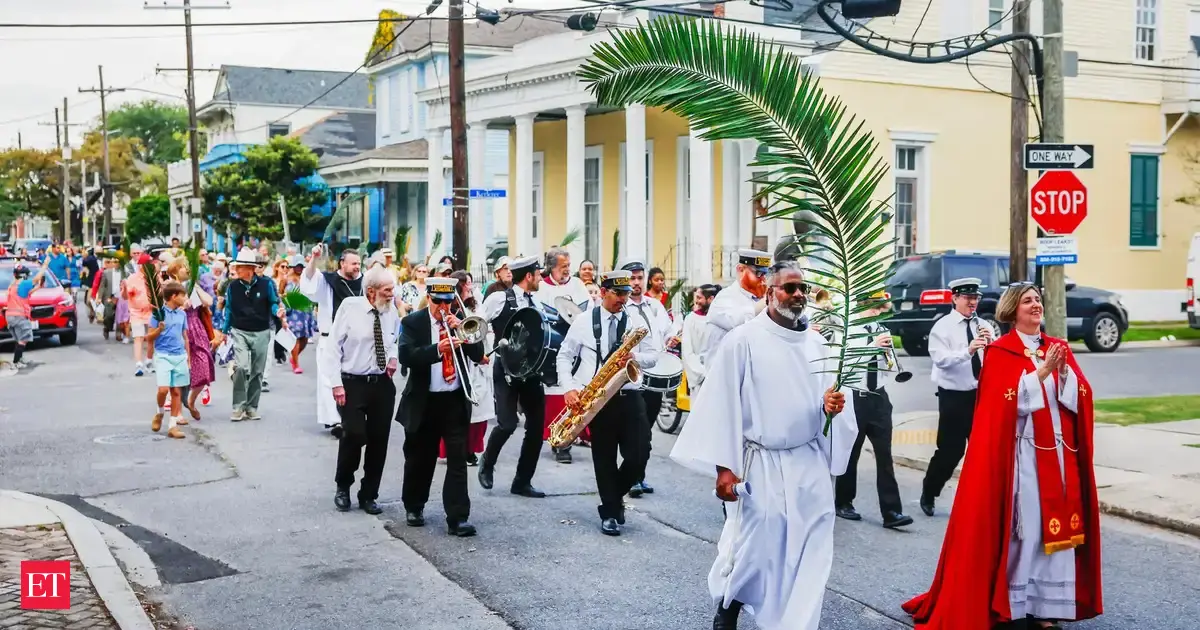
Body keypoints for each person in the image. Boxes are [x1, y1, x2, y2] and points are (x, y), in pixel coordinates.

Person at [903, 282, 1102, 630]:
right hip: (1023, 455)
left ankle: (1047, 608)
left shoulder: (1057, 347)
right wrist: (1042, 373)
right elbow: (1001, 404)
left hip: (1058, 454)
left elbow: (1081, 397)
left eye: (1038, 299)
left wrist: (1063, 373)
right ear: (1012, 310)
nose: (1035, 305)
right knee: (1028, 528)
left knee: (1055, 532)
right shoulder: (1000, 351)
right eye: (1027, 301)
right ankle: (1016, 603)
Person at [670, 261, 857, 630]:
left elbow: (831, 402)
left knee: (813, 543)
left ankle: (796, 623)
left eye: (803, 288)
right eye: (790, 288)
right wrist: (725, 468)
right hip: (761, 461)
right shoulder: (743, 340)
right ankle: (729, 604)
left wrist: (830, 407)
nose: (798, 294)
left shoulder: (819, 344)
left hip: (807, 460)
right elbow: (721, 404)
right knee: (755, 548)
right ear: (770, 293)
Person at [556, 270, 659, 535]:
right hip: (597, 398)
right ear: (603, 292)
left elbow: (653, 356)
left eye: (626, 294)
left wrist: (634, 357)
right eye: (618, 293)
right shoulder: (583, 321)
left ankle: (612, 497)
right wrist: (569, 388)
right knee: (604, 457)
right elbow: (564, 356)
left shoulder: (636, 320)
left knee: (640, 454)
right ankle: (611, 512)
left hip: (629, 395)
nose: (623, 299)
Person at [396, 276, 485, 536]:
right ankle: (414, 505)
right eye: (438, 302)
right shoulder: (413, 322)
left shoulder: (460, 319)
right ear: (429, 298)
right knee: (420, 458)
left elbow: (478, 355)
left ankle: (458, 517)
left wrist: (464, 333)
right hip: (425, 401)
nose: (443, 308)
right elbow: (406, 356)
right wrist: (437, 349)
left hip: (454, 400)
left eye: (448, 302)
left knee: (457, 459)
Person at [919, 277, 997, 517]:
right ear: (955, 298)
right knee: (951, 451)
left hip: (980, 395)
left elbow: (995, 360)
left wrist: (991, 344)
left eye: (976, 298)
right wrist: (969, 350)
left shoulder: (984, 324)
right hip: (953, 396)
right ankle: (930, 490)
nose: (973, 302)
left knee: (982, 451)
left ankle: (977, 500)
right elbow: (941, 360)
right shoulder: (942, 327)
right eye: (968, 298)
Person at [834, 291, 912, 529]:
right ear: (861, 306)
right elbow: (844, 366)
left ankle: (892, 511)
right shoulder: (847, 331)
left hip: (879, 397)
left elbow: (886, 367)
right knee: (852, 452)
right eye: (874, 308)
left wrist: (890, 360)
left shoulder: (881, 329)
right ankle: (843, 502)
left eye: (880, 309)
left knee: (885, 455)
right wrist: (871, 346)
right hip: (855, 397)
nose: (877, 313)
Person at [327, 266, 401, 516]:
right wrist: (336, 384)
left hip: (381, 383)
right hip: (352, 382)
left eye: (392, 289)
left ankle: (369, 494)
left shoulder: (390, 310)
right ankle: (343, 486)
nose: (391, 294)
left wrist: (393, 357)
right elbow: (333, 347)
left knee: (379, 440)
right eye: (387, 290)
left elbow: (393, 340)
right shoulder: (350, 308)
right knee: (354, 434)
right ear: (371, 291)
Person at [477, 255, 548, 498]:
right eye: (537, 274)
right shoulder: (499, 299)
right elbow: (477, 325)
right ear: (528, 276)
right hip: (506, 368)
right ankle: (487, 461)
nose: (540, 278)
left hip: (531, 371)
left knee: (536, 428)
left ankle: (522, 481)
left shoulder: (538, 301)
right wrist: (479, 352)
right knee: (507, 424)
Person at [620, 258, 675, 497]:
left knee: (646, 431)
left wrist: (671, 337)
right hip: (632, 376)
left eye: (640, 278)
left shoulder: (655, 306)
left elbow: (667, 329)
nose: (636, 282)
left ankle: (639, 475)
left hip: (654, 376)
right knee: (634, 431)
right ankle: (631, 478)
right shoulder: (622, 307)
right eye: (632, 278)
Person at [300, 246, 364, 437]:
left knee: (353, 378)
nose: (357, 267)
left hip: (355, 340)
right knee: (329, 379)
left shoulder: (364, 282)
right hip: (330, 339)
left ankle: (352, 417)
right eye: (353, 263)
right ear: (342, 263)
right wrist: (314, 258)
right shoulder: (328, 281)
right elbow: (309, 282)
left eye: (359, 264)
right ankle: (335, 420)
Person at [537, 247, 592, 464]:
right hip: (553, 346)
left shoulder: (577, 285)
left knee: (574, 392)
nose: (567, 270)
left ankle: (569, 438)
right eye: (563, 267)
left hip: (576, 346)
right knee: (555, 397)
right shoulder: (541, 287)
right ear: (551, 267)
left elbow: (588, 309)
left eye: (569, 266)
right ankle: (558, 441)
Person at [221, 249, 285, 422]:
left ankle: (251, 407)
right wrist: (224, 331)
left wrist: (277, 312)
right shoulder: (233, 286)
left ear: (250, 268)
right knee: (241, 367)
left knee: (257, 371)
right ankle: (238, 406)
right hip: (239, 330)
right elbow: (229, 309)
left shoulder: (266, 284)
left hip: (261, 331)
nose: (236, 270)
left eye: (239, 267)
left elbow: (273, 303)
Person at [438, 271, 492, 466]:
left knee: (478, 411)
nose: (471, 287)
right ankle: (457, 450)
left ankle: (469, 449)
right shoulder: (450, 310)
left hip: (476, 361)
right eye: (467, 283)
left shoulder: (474, 305)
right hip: (458, 365)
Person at [702, 249, 771, 364]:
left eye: (766, 275)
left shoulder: (759, 299)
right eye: (758, 274)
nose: (763, 280)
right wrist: (768, 300)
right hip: (723, 370)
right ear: (741, 270)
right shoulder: (724, 298)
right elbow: (738, 321)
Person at [147, 282, 191, 440]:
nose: (185, 299)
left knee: (176, 392)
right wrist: (159, 329)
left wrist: (188, 357)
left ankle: (172, 425)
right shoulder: (158, 314)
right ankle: (159, 413)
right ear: (173, 296)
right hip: (163, 355)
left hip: (179, 355)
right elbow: (148, 337)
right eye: (182, 296)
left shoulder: (182, 314)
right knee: (163, 390)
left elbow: (185, 336)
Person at [4, 259, 50, 369]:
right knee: (24, 339)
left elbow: (26, 294)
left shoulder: (13, 286)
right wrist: (45, 265)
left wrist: (39, 287)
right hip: (19, 316)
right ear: (24, 275)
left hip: (10, 317)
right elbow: (36, 279)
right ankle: (16, 362)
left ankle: (19, 358)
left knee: (19, 339)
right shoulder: (23, 284)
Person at [681, 284, 720, 392]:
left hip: (717, 377)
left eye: (699, 298)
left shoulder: (720, 320)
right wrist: (703, 373)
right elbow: (687, 352)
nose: (696, 301)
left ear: (710, 299)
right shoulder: (690, 319)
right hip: (699, 379)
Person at [282, 255, 317, 373]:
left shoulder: (307, 279)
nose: (299, 268)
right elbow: (280, 293)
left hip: (305, 312)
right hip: (293, 312)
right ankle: (296, 364)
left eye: (301, 266)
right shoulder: (286, 279)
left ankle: (294, 357)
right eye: (297, 266)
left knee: (304, 339)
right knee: (296, 338)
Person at [126, 254, 157, 376]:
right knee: (138, 337)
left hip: (151, 311)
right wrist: (125, 290)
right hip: (136, 312)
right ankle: (139, 364)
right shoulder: (132, 279)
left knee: (151, 337)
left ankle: (149, 361)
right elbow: (127, 295)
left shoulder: (155, 277)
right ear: (141, 266)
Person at [97, 257, 127, 342]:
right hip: (109, 297)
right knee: (108, 316)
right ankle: (106, 328)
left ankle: (118, 333)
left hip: (120, 297)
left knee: (120, 316)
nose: (115, 263)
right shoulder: (106, 272)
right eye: (113, 262)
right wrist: (99, 297)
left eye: (117, 262)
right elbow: (102, 286)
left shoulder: (123, 273)